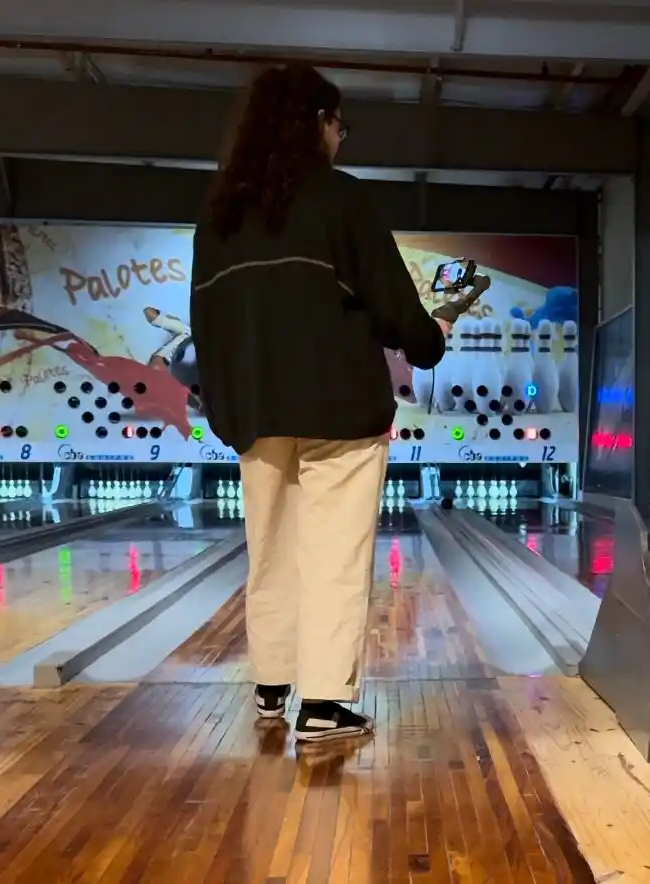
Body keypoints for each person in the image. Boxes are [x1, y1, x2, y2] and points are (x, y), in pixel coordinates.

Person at [191, 64, 485, 742]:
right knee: (334, 553)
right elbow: (393, 307)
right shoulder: (339, 198)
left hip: (256, 415)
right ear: (315, 123)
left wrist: (227, 415)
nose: (340, 138)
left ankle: (271, 685)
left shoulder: (218, 221)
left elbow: (205, 330)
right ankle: (322, 704)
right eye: (337, 124)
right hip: (340, 412)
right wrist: (432, 336)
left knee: (270, 551)